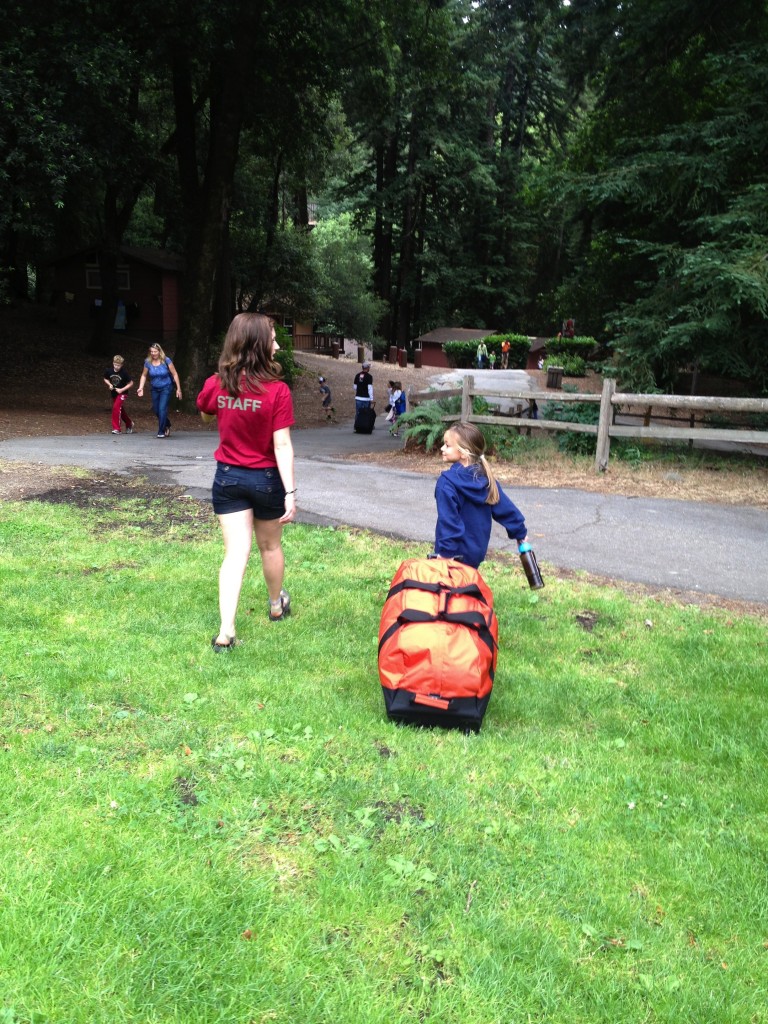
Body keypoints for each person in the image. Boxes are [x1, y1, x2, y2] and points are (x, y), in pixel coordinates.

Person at [196, 312, 296, 651]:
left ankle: (226, 632)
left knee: (235, 553)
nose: (278, 345)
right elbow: (281, 444)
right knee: (270, 546)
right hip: (267, 479)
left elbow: (206, 411)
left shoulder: (217, 383)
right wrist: (291, 492)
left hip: (228, 477)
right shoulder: (277, 391)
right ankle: (275, 605)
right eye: (273, 338)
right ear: (257, 344)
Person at [432, 422, 528, 569]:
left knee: (452, 590)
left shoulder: (446, 483)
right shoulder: (485, 479)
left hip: (452, 555)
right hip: (475, 553)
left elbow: (449, 522)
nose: (442, 448)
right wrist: (520, 533)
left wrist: (445, 554)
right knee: (467, 587)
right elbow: (505, 509)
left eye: (447, 445)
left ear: (463, 453)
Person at [136, 343, 182, 438]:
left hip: (166, 387)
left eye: (155, 351)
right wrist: (141, 387)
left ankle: (161, 431)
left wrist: (178, 389)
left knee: (162, 409)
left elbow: (175, 374)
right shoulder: (148, 362)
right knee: (156, 409)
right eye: (151, 351)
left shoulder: (166, 360)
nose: (153, 353)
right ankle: (167, 423)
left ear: (159, 351)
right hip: (154, 388)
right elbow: (144, 375)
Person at [103, 355, 134, 434]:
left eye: (118, 365)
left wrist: (121, 390)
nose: (116, 367)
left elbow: (131, 383)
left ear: (122, 365)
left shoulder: (124, 373)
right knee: (120, 410)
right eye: (115, 365)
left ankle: (116, 428)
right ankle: (129, 423)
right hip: (114, 393)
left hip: (122, 393)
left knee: (116, 408)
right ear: (113, 363)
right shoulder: (109, 371)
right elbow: (105, 378)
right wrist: (109, 384)